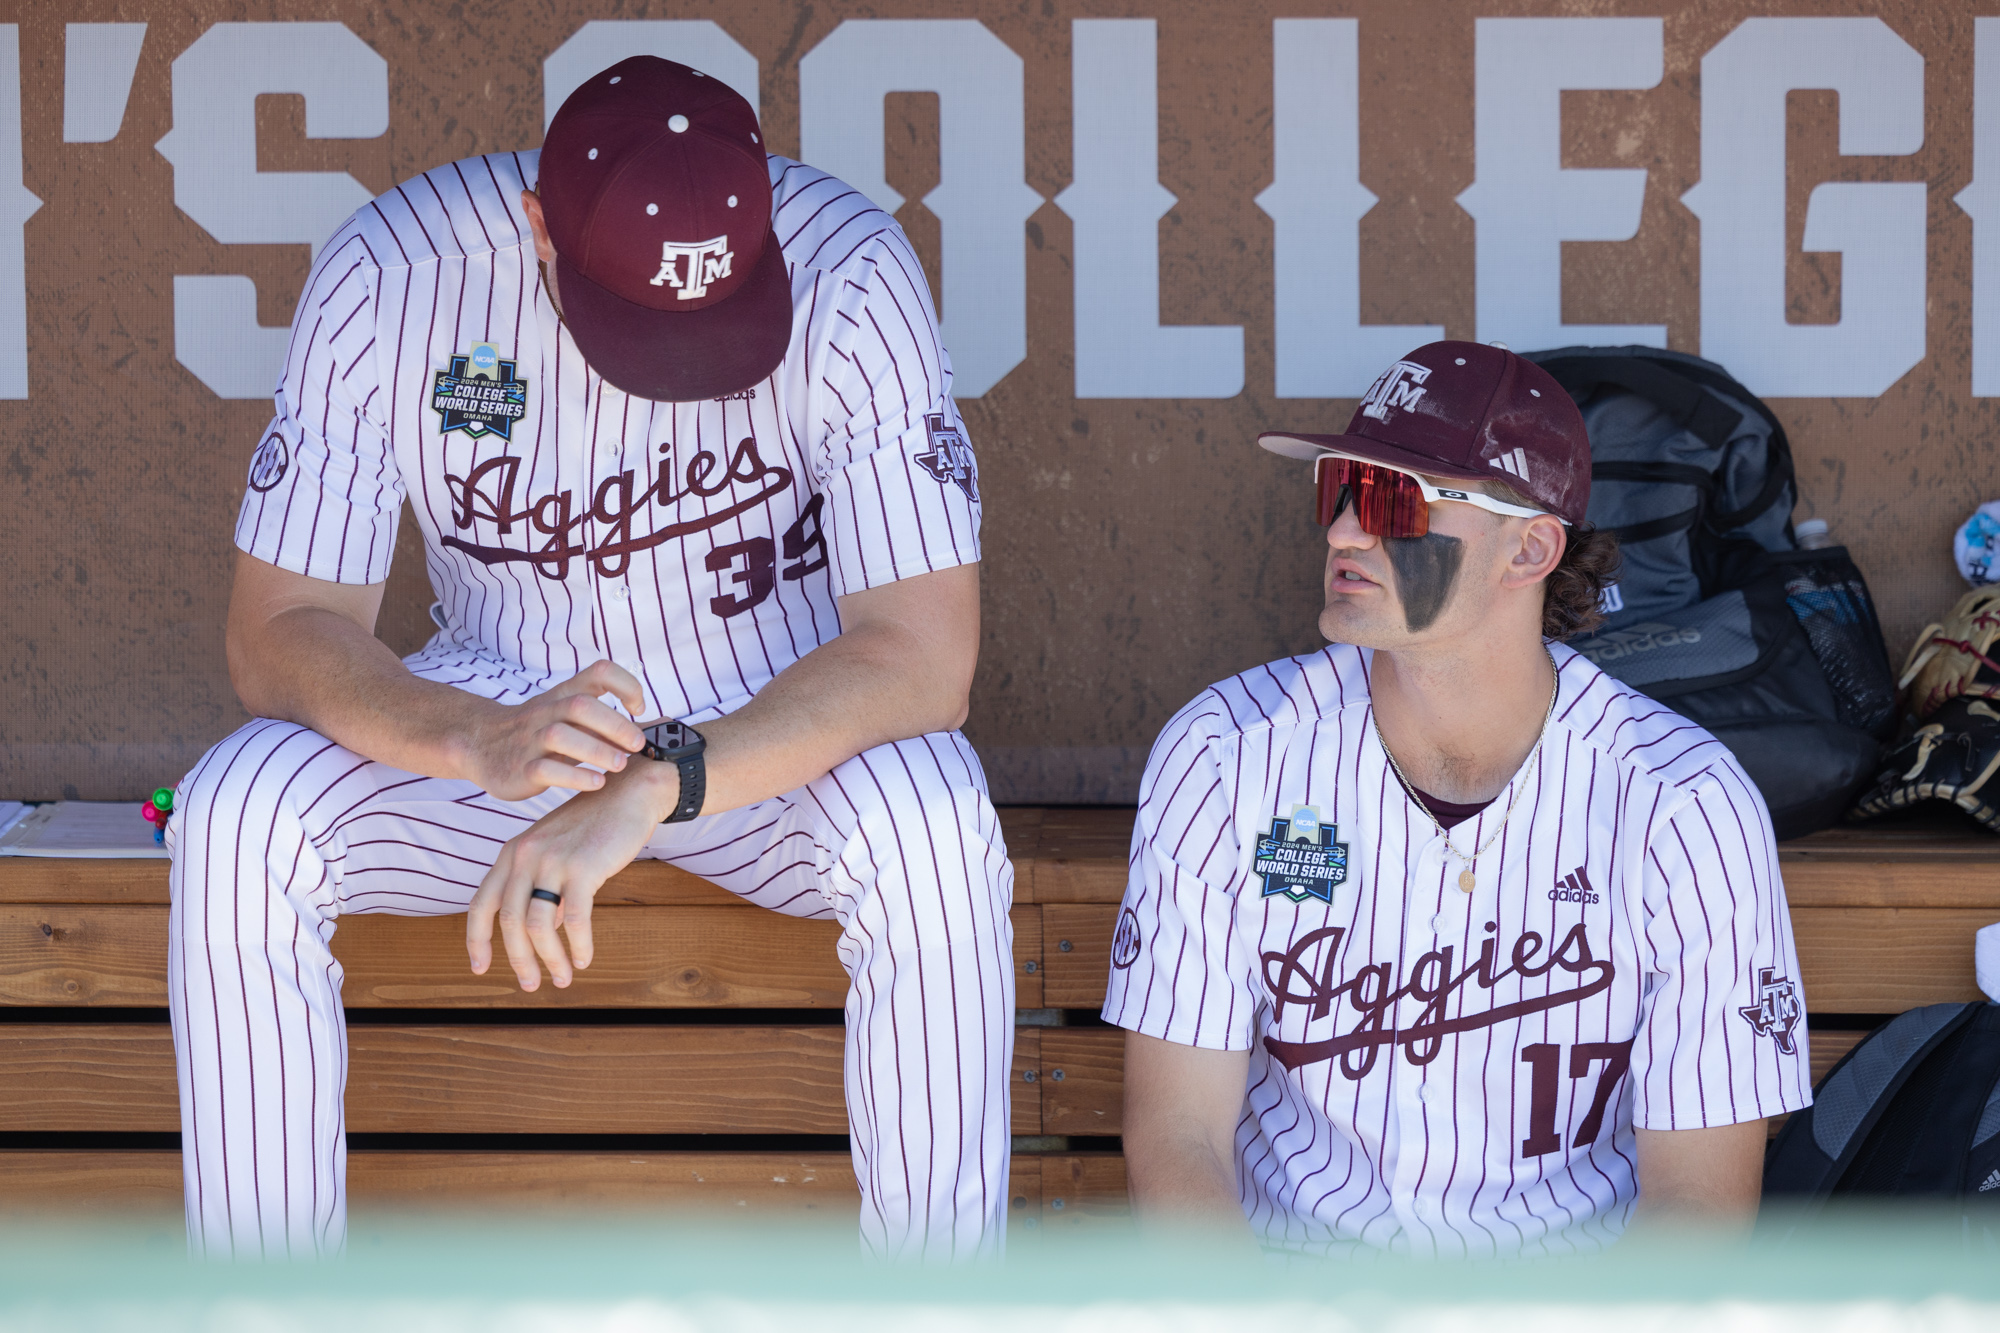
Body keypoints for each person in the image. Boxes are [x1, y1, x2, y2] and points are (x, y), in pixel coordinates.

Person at [168, 56, 1012, 1260]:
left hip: (766, 735)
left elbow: (922, 658)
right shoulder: (396, 274)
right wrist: (460, 731)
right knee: (237, 809)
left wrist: (658, 777)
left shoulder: (853, 272)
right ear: (536, 229)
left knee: (932, 815)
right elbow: (278, 625)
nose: (675, 364)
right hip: (502, 714)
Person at [1104, 341, 1812, 1258]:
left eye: (1396, 500)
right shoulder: (1223, 756)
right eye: (1339, 490)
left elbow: (1698, 1206)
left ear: (1532, 548)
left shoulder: (1683, 803)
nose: (1346, 532)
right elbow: (1177, 1136)